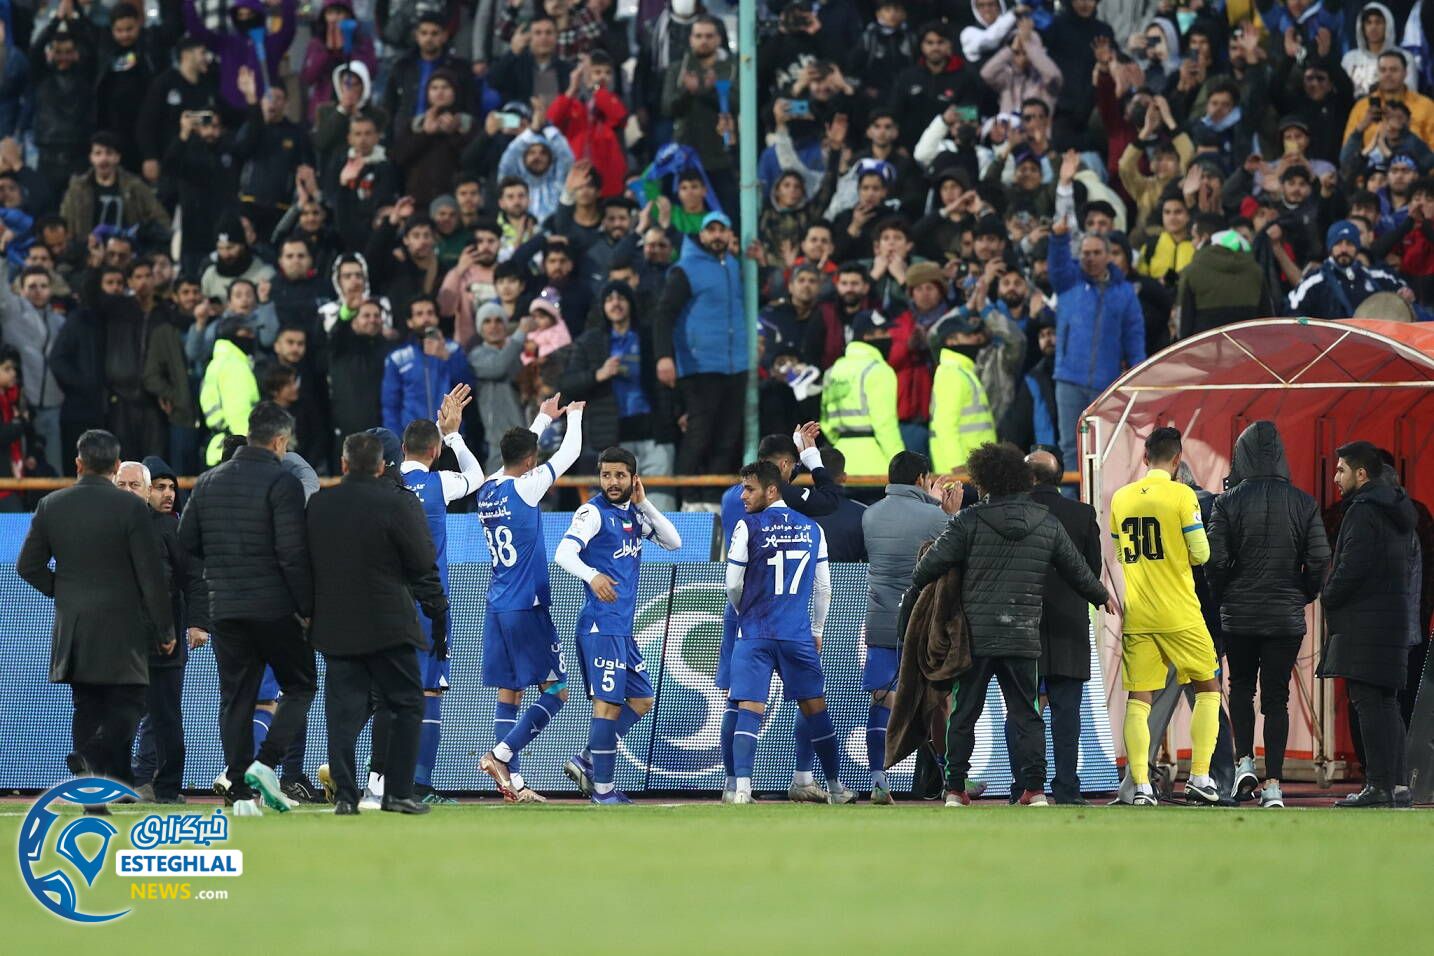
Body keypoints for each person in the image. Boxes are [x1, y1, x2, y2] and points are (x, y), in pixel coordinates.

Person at [912, 442, 1111, 807]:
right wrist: (1102, 596)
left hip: (977, 637)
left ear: (985, 480)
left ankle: (955, 789)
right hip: (1023, 633)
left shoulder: (968, 520)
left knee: (964, 712)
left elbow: (927, 569)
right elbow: (1079, 570)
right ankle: (1034, 791)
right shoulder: (1045, 523)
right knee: (1027, 714)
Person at [16, 430, 172, 801]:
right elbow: (151, 577)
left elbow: (28, 566)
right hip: (125, 625)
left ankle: (94, 796)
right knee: (130, 702)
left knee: (87, 706)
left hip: (75, 626)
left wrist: (64, 591)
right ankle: (92, 756)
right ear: (117, 466)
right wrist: (165, 628)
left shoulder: (52, 505)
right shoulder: (132, 507)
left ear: (78, 464)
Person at [178, 403, 314, 816]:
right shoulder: (282, 481)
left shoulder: (207, 482)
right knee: (301, 684)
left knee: (235, 698)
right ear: (278, 440)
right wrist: (306, 607)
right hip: (274, 607)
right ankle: (266, 763)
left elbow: (187, 542)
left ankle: (239, 792)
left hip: (226, 609)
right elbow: (292, 553)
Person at [308, 431, 449, 816]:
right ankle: (397, 792)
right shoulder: (399, 502)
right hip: (390, 624)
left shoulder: (319, 505)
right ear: (383, 465)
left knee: (341, 713)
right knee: (404, 703)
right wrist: (436, 614)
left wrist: (309, 617)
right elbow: (423, 564)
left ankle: (345, 797)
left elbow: (304, 569)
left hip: (337, 627)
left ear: (343, 464)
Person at [1207, 421, 1331, 808]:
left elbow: (1214, 560)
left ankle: (1244, 760)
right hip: (1284, 617)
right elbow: (1320, 559)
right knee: (1277, 699)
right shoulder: (1303, 502)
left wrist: (1224, 594)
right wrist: (1302, 594)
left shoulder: (1227, 503)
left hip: (1238, 614)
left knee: (1241, 687)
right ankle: (1274, 785)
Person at [556, 447, 683, 803]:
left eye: (620, 476)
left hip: (621, 628)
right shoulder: (591, 512)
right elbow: (564, 553)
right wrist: (592, 574)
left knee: (642, 699)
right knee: (607, 705)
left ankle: (585, 760)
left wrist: (645, 504)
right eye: (606, 475)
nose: (612, 482)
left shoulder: (635, 517)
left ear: (633, 479)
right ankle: (603, 790)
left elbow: (674, 542)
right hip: (601, 625)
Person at [476, 395, 586, 802]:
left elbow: (522, 451)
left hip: (497, 604)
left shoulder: (488, 487)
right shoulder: (527, 487)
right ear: (530, 462)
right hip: (528, 605)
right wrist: (573, 417)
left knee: (511, 692)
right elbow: (571, 451)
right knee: (556, 691)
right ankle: (501, 755)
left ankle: (515, 785)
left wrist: (541, 417)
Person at [725, 459, 853, 805]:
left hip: (755, 632)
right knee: (815, 710)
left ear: (771, 489)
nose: (742, 495)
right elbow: (824, 588)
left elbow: (732, 583)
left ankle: (741, 791)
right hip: (797, 634)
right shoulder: (813, 529)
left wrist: (743, 612)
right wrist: (817, 629)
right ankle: (837, 789)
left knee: (749, 708)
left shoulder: (746, 526)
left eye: (749, 488)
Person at [1110, 426, 1224, 806]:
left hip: (1138, 614)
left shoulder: (1121, 498)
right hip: (1180, 612)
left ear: (1145, 459)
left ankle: (1140, 786)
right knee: (1209, 688)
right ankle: (1201, 776)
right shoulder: (1182, 495)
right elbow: (1202, 554)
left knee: (1139, 700)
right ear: (1177, 460)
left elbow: (1119, 547)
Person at [1320, 440, 1421, 808]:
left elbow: (1352, 566)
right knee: (1387, 702)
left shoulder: (1363, 511)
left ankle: (1377, 786)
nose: (1335, 478)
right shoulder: (1399, 511)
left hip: (1365, 623)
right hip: (1393, 620)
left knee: (1367, 700)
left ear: (1361, 473)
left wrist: (1328, 594)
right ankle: (1396, 785)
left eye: (1341, 470)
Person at [399, 386, 485, 803]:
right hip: (430, 605)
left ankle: (374, 776)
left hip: (387, 603)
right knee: (428, 691)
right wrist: (452, 434)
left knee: (387, 690)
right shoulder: (440, 484)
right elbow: (477, 478)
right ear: (434, 452)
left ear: (401, 449)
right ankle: (419, 784)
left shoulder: (386, 484)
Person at [860, 450, 960, 804]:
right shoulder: (936, 518)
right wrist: (946, 513)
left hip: (882, 621)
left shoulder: (869, 515)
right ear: (921, 479)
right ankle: (953, 782)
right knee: (940, 700)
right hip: (926, 622)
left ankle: (878, 780)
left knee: (882, 699)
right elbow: (953, 552)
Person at [1008, 448, 1102, 805]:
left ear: (1027, 478)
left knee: (1022, 711)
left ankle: (1023, 788)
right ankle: (1066, 788)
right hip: (1069, 627)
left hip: (1019, 626)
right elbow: (1092, 571)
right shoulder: (1081, 514)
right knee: (1067, 715)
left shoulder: (1013, 515)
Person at [115, 459, 209, 804]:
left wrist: (198, 623)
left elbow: (193, 579)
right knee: (123, 716)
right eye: (160, 487)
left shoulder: (171, 530)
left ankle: (166, 788)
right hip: (122, 640)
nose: (167, 494)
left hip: (163, 639)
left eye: (171, 487)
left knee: (166, 716)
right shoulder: (109, 526)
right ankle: (126, 785)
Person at [655, 211, 747, 503]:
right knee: (700, 434)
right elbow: (663, 315)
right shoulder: (686, 269)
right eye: (712, 230)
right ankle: (689, 498)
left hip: (736, 366)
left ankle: (712, 498)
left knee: (728, 436)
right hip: (699, 366)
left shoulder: (734, 265)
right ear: (702, 234)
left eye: (723, 230)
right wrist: (664, 357)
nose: (717, 235)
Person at [1049, 218, 1145, 470]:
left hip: (1107, 384)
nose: (1090, 258)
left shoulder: (1124, 293)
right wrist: (1059, 239)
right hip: (1069, 379)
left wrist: (1138, 377)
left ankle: (1099, 504)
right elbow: (1057, 267)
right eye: (1085, 253)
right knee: (1070, 447)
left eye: (1096, 252)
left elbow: (1134, 338)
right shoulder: (1069, 282)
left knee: (1104, 448)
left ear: (1108, 255)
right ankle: (1071, 504)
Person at [820, 310, 905, 476]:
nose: (888, 336)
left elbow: (826, 422)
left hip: (839, 462)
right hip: (876, 463)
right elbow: (885, 425)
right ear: (867, 336)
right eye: (883, 332)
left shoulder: (832, 371)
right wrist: (901, 464)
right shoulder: (880, 370)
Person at [1287, 219, 1413, 318]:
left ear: (1357, 248)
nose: (1343, 249)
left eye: (1349, 243)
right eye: (1338, 243)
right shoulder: (1314, 281)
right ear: (1330, 248)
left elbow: (1402, 290)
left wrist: (1405, 294)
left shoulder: (1378, 276)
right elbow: (1292, 310)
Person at [927, 310, 998, 474]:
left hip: (974, 468)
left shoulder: (963, 371)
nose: (975, 339)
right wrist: (957, 465)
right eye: (968, 335)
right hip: (961, 472)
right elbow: (944, 424)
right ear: (951, 341)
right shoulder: (952, 373)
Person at [809, 447, 867, 562]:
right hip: (848, 579)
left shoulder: (793, 513)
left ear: (812, 477)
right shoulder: (864, 515)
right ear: (844, 477)